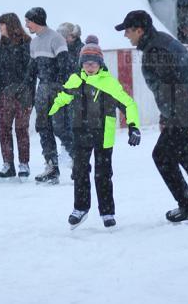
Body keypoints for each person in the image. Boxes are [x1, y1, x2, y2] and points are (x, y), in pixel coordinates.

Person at [116, 10, 188, 222]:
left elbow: (178, 89)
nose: (126, 36)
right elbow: (169, 89)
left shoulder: (156, 50)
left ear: (140, 30)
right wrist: (166, 116)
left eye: (128, 31)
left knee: (162, 157)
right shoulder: (159, 43)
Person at [49, 35, 141, 229]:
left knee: (103, 174)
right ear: (81, 64)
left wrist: (133, 126)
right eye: (86, 63)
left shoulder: (109, 83)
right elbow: (61, 99)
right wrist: (48, 114)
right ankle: (80, 208)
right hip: (80, 133)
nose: (90, 66)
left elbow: (128, 104)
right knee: (80, 171)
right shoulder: (75, 80)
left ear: (100, 64)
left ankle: (107, 212)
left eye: (94, 63)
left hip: (103, 135)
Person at [22, 7, 70, 184]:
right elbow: (32, 70)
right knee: (43, 127)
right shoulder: (34, 43)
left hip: (57, 89)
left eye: (28, 21)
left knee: (61, 128)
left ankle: (78, 163)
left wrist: (64, 91)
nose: (26, 25)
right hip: (42, 89)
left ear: (36, 20)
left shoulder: (56, 38)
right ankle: (51, 167)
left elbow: (65, 66)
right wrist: (26, 89)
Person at [0, 13, 33, 179]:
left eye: (1, 24)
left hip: (23, 95)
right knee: (4, 130)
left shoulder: (27, 44)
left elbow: (30, 71)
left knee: (21, 129)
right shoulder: (1, 47)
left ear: (9, 25)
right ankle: (8, 165)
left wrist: (26, 92)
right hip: (5, 95)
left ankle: (24, 164)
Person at [55, 22, 84, 165]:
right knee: (59, 126)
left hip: (78, 95)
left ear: (71, 36)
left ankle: (76, 158)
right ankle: (72, 152)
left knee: (75, 127)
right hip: (62, 93)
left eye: (62, 36)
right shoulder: (61, 51)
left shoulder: (83, 50)